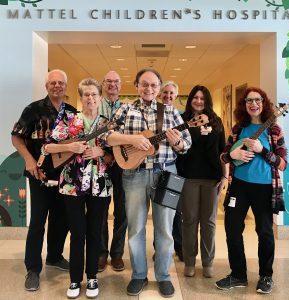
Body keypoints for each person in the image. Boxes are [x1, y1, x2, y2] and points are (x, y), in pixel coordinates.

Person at [105, 68, 192, 298]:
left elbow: (187, 145)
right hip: (134, 175)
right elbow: (108, 137)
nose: (149, 89)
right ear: (136, 85)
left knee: (165, 229)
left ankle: (163, 276)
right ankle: (139, 275)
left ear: (160, 87)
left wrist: (177, 143)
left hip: (166, 174)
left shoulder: (171, 111)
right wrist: (132, 139)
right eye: (144, 84)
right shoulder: (126, 109)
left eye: (154, 85)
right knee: (135, 229)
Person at [215, 87, 287, 294]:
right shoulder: (238, 129)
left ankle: (266, 275)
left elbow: (282, 164)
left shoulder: (274, 130)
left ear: (264, 103)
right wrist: (233, 154)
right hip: (239, 186)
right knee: (232, 228)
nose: (253, 104)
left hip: (264, 188)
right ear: (244, 104)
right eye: (249, 100)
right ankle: (238, 274)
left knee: (264, 231)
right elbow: (224, 156)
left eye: (257, 100)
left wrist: (262, 150)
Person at [46, 78, 113, 299]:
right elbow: (48, 146)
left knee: (95, 232)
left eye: (94, 94)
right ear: (80, 97)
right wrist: (71, 146)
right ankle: (75, 279)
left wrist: (101, 153)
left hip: (100, 184)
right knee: (77, 232)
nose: (91, 98)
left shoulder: (108, 122)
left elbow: (117, 157)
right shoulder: (69, 120)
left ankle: (92, 276)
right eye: (86, 95)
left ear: (100, 98)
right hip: (72, 184)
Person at [11, 69, 74, 291]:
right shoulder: (33, 109)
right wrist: (28, 159)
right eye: (52, 82)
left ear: (66, 86)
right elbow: (16, 136)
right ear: (46, 86)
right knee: (38, 220)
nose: (56, 86)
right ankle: (33, 269)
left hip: (65, 176)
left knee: (62, 218)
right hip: (39, 174)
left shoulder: (72, 112)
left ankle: (55, 256)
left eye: (60, 82)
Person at [178, 85, 227, 278]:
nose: (198, 101)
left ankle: (208, 262)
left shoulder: (216, 122)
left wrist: (224, 176)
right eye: (195, 97)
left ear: (207, 101)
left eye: (202, 98)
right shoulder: (182, 121)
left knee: (209, 222)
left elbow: (223, 152)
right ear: (190, 99)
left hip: (212, 178)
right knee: (189, 221)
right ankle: (189, 261)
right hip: (188, 177)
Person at [97, 70, 127, 272]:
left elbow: (130, 135)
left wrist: (117, 156)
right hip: (100, 164)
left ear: (120, 85)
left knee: (122, 210)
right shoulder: (94, 104)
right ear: (103, 83)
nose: (112, 85)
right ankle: (100, 253)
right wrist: (103, 155)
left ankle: (117, 254)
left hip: (122, 164)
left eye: (116, 81)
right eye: (108, 81)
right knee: (100, 210)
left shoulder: (127, 108)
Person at [155, 80, 183, 262]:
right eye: (165, 92)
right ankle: (158, 250)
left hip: (171, 169)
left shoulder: (177, 116)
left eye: (171, 93)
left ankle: (177, 249)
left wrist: (178, 143)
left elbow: (185, 145)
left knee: (172, 213)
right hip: (150, 168)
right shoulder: (153, 111)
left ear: (176, 96)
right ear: (159, 93)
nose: (168, 96)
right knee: (156, 216)